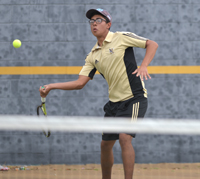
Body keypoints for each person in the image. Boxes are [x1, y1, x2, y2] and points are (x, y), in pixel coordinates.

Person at [39, 8, 158, 179]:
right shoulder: (92, 55)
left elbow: (152, 44)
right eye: (91, 21)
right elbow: (80, 83)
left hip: (134, 98)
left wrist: (144, 65)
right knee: (105, 145)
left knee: (125, 138)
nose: (94, 23)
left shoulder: (121, 37)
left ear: (108, 24)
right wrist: (51, 86)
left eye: (99, 20)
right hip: (113, 104)